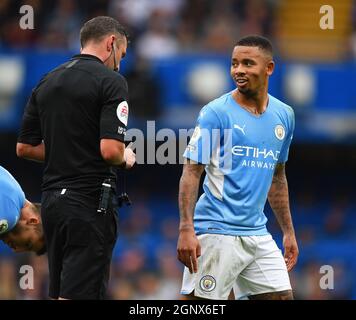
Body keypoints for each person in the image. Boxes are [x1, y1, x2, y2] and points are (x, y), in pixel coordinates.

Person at [16, 16, 136, 300]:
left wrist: (69, 149)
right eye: (121, 54)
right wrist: (126, 156)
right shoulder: (112, 81)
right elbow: (110, 151)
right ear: (111, 43)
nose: (119, 63)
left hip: (52, 205)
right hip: (89, 205)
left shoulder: (47, 80)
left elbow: (24, 147)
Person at [177, 35, 298, 300]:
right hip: (217, 230)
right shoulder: (216, 113)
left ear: (269, 68)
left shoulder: (284, 115)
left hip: (257, 231)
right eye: (234, 64)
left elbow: (278, 178)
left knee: (281, 297)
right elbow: (191, 171)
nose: (238, 70)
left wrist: (288, 231)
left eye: (247, 63)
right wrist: (186, 228)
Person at [0, 165, 45, 255]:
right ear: (32, 221)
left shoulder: (12, 188)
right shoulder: (9, 217)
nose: (16, 250)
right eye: (28, 243)